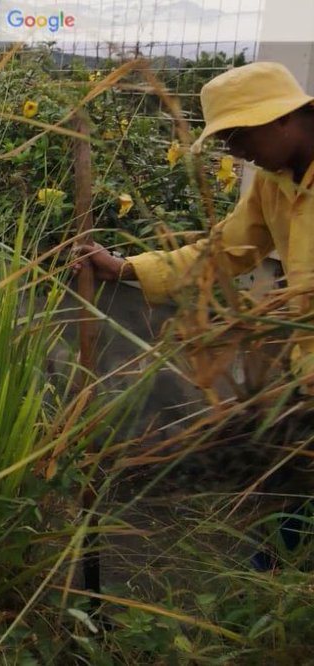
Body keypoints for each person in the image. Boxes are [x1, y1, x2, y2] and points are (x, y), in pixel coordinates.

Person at [79, 61, 314, 569]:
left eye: (237, 135)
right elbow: (225, 252)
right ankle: (273, 603)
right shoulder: (274, 182)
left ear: (282, 119)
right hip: (305, 378)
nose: (235, 152)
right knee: (287, 517)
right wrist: (126, 269)